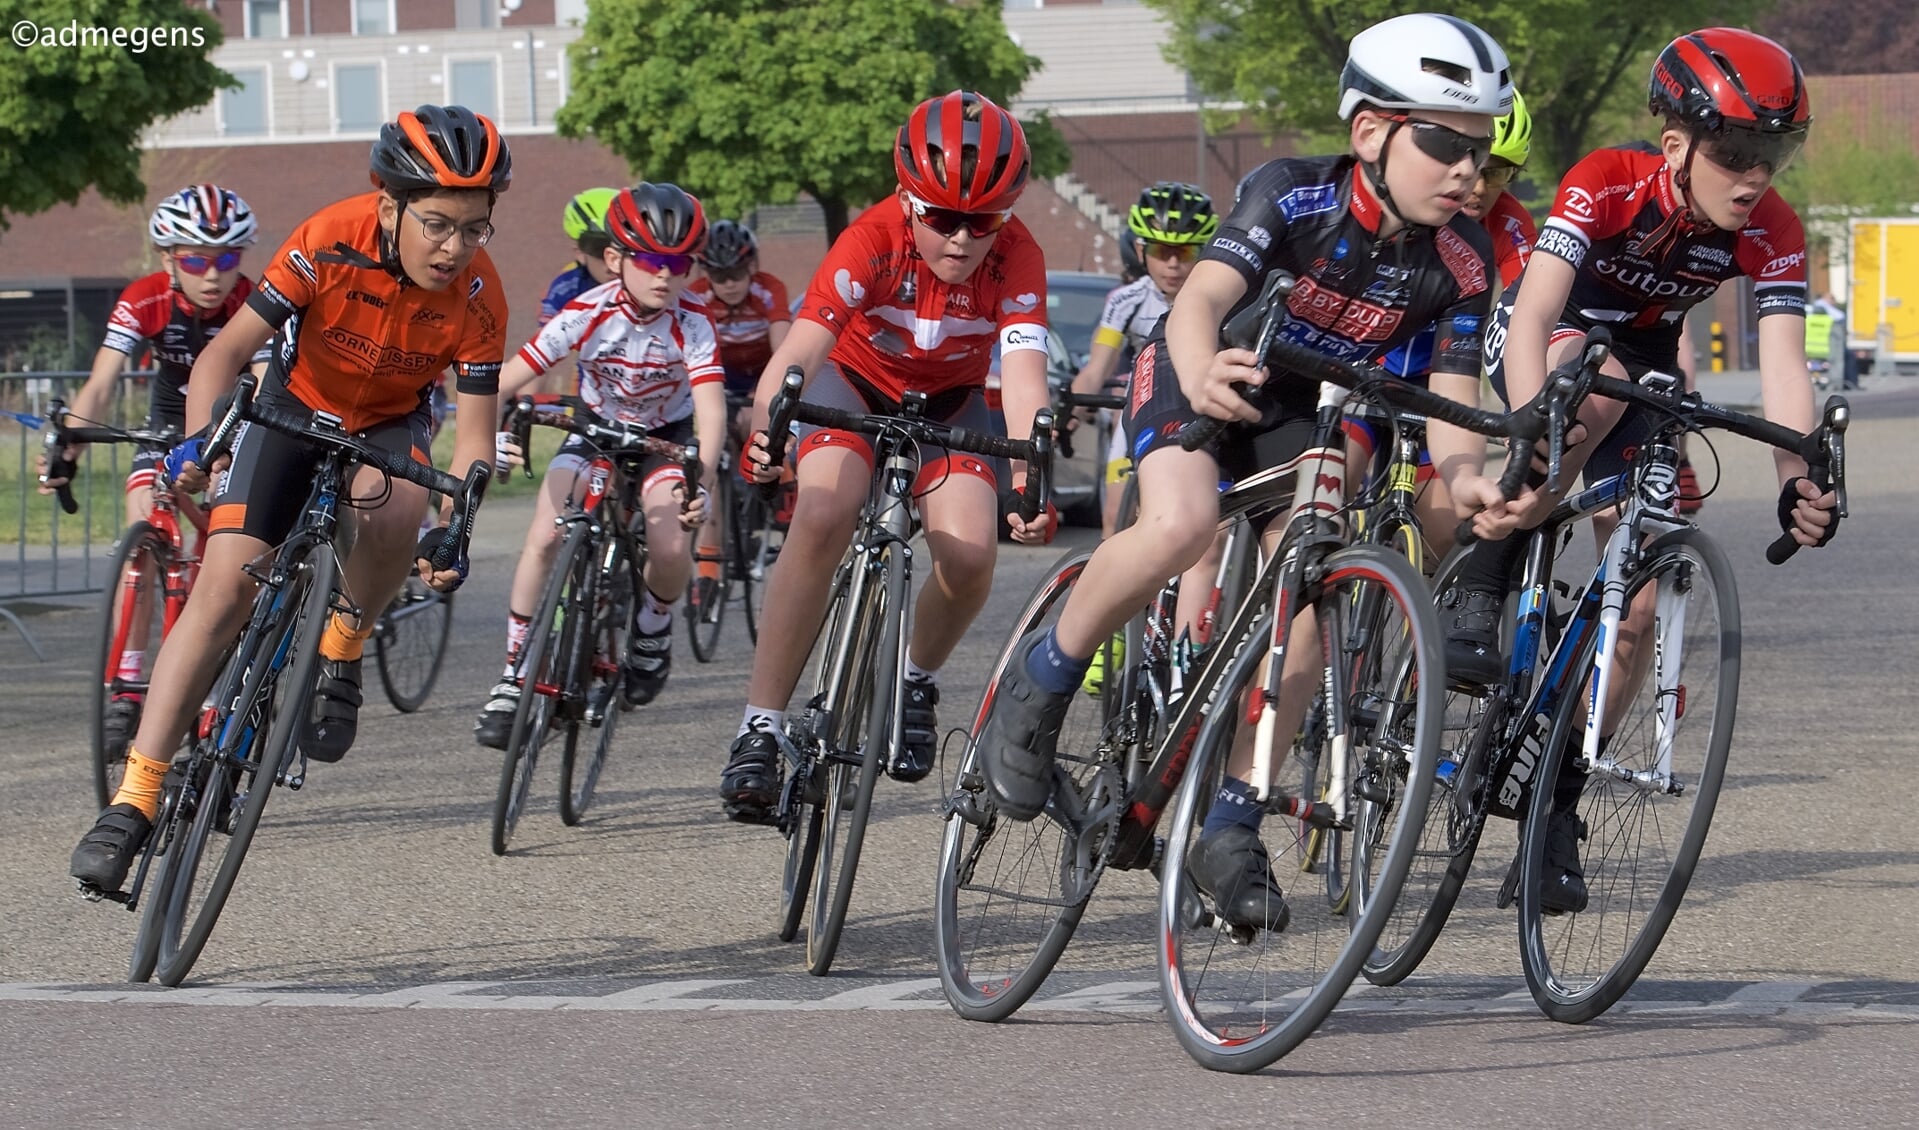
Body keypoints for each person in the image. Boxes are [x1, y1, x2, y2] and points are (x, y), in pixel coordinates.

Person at [974, 14, 1528, 931]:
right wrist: (1198, 369)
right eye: (1442, 141)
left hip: (1308, 413)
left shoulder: (1463, 263)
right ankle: (1044, 677)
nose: (1467, 169)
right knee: (1181, 525)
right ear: (1370, 133)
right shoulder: (1291, 194)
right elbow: (1200, 302)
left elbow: (1448, 394)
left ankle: (1232, 817)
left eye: (1477, 147)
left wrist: (1466, 477)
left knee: (1313, 590)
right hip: (1206, 373)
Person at [1441, 29, 1839, 912]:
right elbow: (1539, 299)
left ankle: (1554, 793)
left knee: (1639, 610)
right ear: (1675, 145)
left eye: (1771, 155)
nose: (1753, 177)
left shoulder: (1772, 229)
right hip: (1551, 334)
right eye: (1734, 153)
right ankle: (1487, 561)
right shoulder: (1607, 179)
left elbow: (1781, 368)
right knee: (1601, 378)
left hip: (1644, 359)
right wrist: (1532, 425)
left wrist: (1796, 475)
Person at [69, 104, 512, 893]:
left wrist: (459, 523)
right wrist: (204, 442)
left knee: (397, 506)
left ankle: (343, 641)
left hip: (388, 423)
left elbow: (475, 434)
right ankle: (133, 799)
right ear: (389, 207)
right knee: (222, 589)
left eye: (475, 228)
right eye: (439, 224)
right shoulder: (326, 239)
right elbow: (227, 351)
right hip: (290, 408)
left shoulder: (479, 294)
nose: (454, 248)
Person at [717, 90, 1054, 820]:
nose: (961, 240)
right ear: (907, 200)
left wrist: (1028, 475)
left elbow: (1024, 376)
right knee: (825, 508)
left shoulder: (1020, 256)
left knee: (968, 557)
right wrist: (763, 433)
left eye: (982, 222)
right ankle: (760, 727)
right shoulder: (870, 238)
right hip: (853, 385)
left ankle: (912, 677)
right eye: (940, 218)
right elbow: (801, 351)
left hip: (948, 405)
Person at [475, 183, 724, 746]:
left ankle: (652, 635)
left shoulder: (694, 323)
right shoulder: (587, 310)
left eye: (680, 263)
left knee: (667, 545)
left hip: (664, 439)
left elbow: (709, 414)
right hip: (594, 432)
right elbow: (505, 380)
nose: (666, 274)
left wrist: (699, 483)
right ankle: (515, 676)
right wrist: (483, 433)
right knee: (543, 537)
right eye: (653, 260)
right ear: (616, 260)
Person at [38, 185, 273, 755]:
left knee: (229, 553)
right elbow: (101, 382)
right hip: (168, 424)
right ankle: (128, 684)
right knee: (142, 524)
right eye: (196, 259)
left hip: (236, 420)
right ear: (168, 258)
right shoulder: (144, 298)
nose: (212, 274)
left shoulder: (256, 299)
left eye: (226, 259)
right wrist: (70, 440)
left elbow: (266, 383)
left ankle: (226, 667)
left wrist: (228, 449)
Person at [684, 220, 792, 595]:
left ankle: (783, 486)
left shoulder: (769, 289)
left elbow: (783, 351)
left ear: (751, 268)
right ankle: (710, 564)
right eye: (718, 274)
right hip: (719, 378)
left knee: (754, 424)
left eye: (736, 273)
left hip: (761, 374)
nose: (728, 283)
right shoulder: (697, 296)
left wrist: (761, 403)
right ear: (706, 273)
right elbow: (688, 356)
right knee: (711, 459)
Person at [542, 188, 620, 325]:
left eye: (622, 250)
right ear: (580, 253)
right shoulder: (566, 289)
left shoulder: (645, 283)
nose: (611, 262)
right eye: (599, 250)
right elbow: (542, 338)